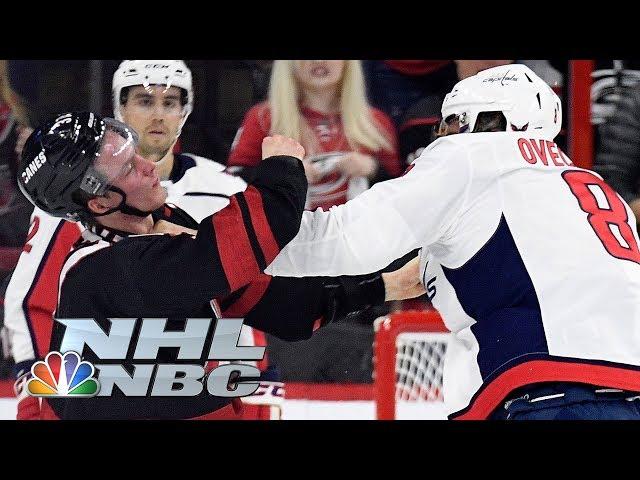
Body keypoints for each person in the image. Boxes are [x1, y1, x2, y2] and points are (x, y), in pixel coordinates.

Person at [266, 63, 640, 420]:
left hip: (549, 389)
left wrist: (243, 241)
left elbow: (348, 239)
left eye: (452, 122)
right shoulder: (592, 185)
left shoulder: (474, 154)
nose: (442, 135)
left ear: (487, 119)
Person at [14, 111, 422, 420]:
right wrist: (282, 167)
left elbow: (277, 302)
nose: (148, 165)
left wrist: (385, 286)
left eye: (133, 151)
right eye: (126, 168)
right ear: (99, 203)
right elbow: (248, 238)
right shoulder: (106, 268)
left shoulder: (162, 231)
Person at [227, 60, 402, 211]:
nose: (319, 61)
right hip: (286, 242)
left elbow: (402, 190)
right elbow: (231, 182)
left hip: (358, 239)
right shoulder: (262, 118)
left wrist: (373, 169)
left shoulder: (376, 122)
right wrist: (284, 174)